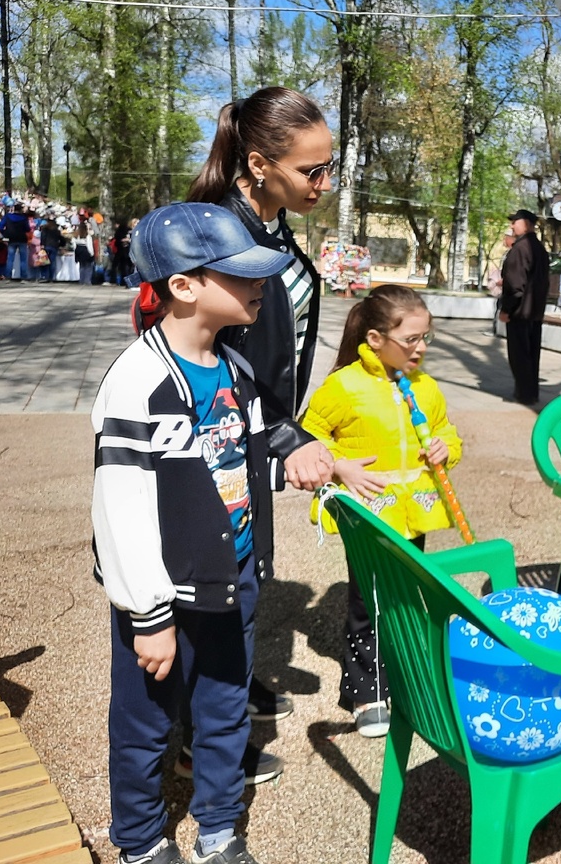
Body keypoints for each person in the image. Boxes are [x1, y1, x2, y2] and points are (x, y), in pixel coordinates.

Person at [92, 202, 291, 864]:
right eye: (242, 274)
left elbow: (245, 461)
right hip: (162, 594)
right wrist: (147, 614)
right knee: (146, 724)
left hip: (231, 579)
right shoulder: (138, 381)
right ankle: (141, 841)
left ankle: (218, 830)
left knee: (226, 710)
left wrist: (303, 466)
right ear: (183, 285)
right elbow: (119, 508)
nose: (260, 284)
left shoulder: (236, 370)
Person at [181, 85, 337, 783]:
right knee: (220, 585)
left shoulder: (269, 223)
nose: (324, 182)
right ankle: (202, 742)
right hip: (227, 435)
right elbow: (211, 360)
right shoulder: (219, 234)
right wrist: (283, 438)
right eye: (311, 169)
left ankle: (228, 692)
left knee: (244, 576)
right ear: (258, 163)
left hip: (262, 427)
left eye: (329, 166)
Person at [301, 286, 462, 738]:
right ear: (375, 339)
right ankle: (366, 690)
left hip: (414, 514)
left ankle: (407, 674)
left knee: (410, 595)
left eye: (426, 337)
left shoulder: (425, 387)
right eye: (410, 339)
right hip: (369, 516)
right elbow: (307, 436)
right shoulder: (344, 386)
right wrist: (338, 465)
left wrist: (445, 447)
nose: (421, 347)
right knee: (370, 600)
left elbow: (447, 432)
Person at [498, 208, 549, 405]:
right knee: (532, 356)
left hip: (519, 312)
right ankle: (531, 393)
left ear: (526, 224)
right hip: (534, 312)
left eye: (515, 222)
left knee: (519, 356)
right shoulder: (539, 248)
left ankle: (524, 394)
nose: (512, 226)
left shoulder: (520, 249)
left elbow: (515, 286)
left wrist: (506, 309)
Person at [1, 204, 30, 281]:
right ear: (21, 210)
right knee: (23, 259)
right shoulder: (24, 217)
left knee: (10, 259)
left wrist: (5, 233)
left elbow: (0, 226)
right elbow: (28, 229)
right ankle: (23, 277)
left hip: (11, 239)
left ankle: (8, 277)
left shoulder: (8, 216)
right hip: (22, 239)